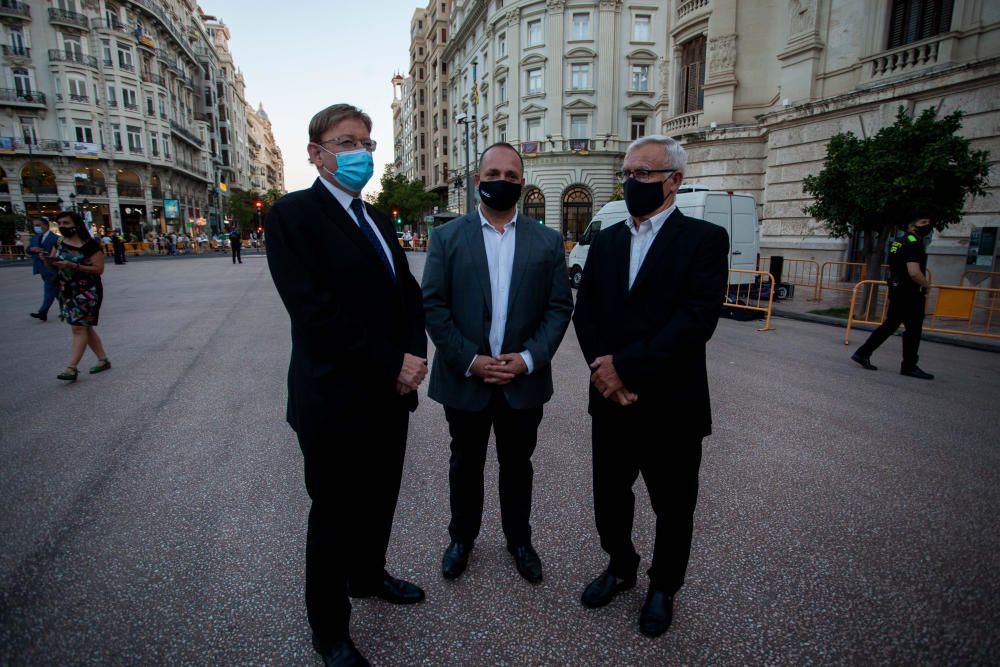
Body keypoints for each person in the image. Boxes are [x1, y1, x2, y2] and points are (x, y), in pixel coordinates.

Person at [265, 103, 428, 667]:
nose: (359, 152)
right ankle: (329, 630)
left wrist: (414, 356)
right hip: (334, 399)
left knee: (380, 499)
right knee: (334, 515)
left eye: (366, 142)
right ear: (316, 152)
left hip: (390, 395)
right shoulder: (292, 216)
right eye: (346, 141)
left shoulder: (377, 216)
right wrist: (392, 363)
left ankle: (369, 576)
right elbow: (315, 315)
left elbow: (407, 293)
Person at [572, 135, 729, 637]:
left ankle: (663, 587)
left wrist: (628, 368)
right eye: (627, 173)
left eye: (642, 173)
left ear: (673, 180)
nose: (630, 181)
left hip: (671, 403)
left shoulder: (704, 239)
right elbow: (587, 311)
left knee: (673, 504)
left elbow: (696, 320)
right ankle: (621, 566)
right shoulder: (610, 239)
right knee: (609, 498)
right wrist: (604, 371)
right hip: (610, 400)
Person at [422, 142, 573, 585]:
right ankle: (461, 539)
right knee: (464, 464)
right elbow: (434, 305)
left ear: (522, 184)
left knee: (518, 465)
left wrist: (528, 359)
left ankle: (519, 541)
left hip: (522, 382)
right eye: (493, 175)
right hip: (466, 380)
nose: (501, 182)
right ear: (476, 181)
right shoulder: (447, 238)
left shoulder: (547, 241)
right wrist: (471, 360)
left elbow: (558, 308)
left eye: (510, 176)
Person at [851, 215, 935, 379]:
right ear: (911, 226)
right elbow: (914, 272)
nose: (928, 225)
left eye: (928, 222)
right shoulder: (913, 244)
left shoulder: (898, 242)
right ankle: (909, 365)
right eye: (923, 222)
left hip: (897, 289)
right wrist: (926, 285)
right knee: (913, 330)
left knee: (890, 325)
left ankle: (863, 353)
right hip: (909, 293)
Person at [46, 211, 111, 382]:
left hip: (87, 290)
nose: (62, 226)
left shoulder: (90, 245)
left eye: (66, 223)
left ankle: (71, 367)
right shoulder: (59, 242)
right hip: (67, 289)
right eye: (60, 223)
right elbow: (52, 263)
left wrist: (74, 265)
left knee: (78, 327)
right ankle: (103, 359)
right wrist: (46, 260)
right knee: (84, 326)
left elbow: (99, 269)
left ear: (76, 224)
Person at [27, 217, 58, 321]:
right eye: (35, 225)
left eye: (38, 225)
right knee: (56, 290)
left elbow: (58, 252)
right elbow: (28, 249)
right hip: (40, 268)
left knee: (49, 289)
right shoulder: (35, 237)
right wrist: (32, 249)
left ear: (45, 225)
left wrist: (48, 255)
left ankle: (43, 311)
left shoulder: (55, 238)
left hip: (50, 268)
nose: (36, 227)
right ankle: (66, 308)